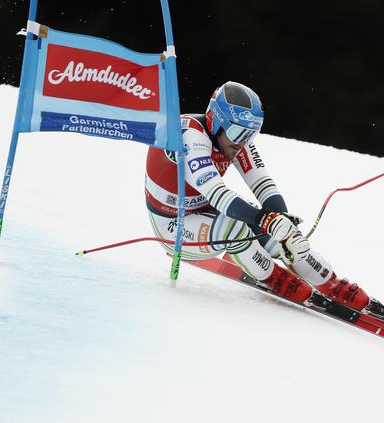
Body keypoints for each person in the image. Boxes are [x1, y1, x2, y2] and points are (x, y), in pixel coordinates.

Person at [145, 81, 370, 310]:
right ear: (215, 122)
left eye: (251, 134)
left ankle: (329, 282)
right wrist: (265, 220)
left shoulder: (235, 141)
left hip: (206, 211)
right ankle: (272, 277)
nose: (243, 141)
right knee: (236, 229)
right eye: (238, 132)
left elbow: (263, 184)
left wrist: (282, 223)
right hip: (174, 225)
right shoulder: (190, 138)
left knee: (280, 236)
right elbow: (217, 193)